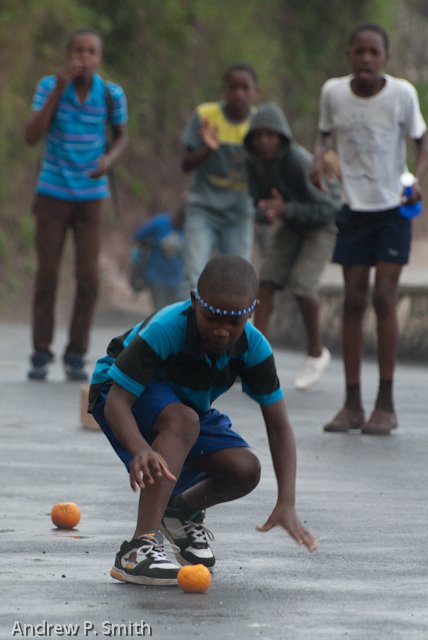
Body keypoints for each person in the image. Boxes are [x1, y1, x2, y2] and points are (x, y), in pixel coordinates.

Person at [88, 255, 317, 586]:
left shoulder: (254, 349)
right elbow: (118, 403)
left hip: (182, 405)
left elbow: (279, 428)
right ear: (195, 301)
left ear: (251, 312)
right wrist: (140, 448)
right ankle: (138, 548)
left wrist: (287, 501)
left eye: (233, 324)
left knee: (245, 469)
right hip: (117, 389)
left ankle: (179, 512)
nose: (221, 331)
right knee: (183, 422)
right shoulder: (169, 327)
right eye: (211, 318)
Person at [311, 23, 428, 434]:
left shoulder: (402, 94)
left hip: (394, 207)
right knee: (353, 300)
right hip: (352, 206)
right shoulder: (333, 92)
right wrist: (317, 158)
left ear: (385, 58)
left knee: (384, 296)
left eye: (373, 52)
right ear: (349, 56)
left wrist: (415, 179)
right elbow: (323, 132)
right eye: (358, 51)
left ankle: (386, 403)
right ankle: (352, 404)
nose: (365, 59)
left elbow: (421, 138)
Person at [25, 28, 128, 381]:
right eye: (78, 51)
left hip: (90, 199)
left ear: (100, 58)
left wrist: (109, 160)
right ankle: (40, 352)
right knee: (47, 274)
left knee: (88, 278)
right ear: (68, 55)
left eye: (92, 51)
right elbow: (31, 135)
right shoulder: (47, 86)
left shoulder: (112, 94)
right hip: (52, 193)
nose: (85, 57)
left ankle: (76, 354)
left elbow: (121, 136)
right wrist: (56, 89)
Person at [244, 103, 342, 390]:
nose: (264, 142)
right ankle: (252, 357)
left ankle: (316, 352)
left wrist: (286, 210)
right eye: (258, 136)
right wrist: (268, 213)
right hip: (291, 220)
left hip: (321, 224)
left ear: (282, 137)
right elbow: (258, 203)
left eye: (270, 135)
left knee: (302, 284)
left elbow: (328, 207)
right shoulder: (253, 162)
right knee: (266, 280)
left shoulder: (299, 160)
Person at [179, 62, 259, 298]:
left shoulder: (258, 125)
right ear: (224, 90)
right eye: (233, 88)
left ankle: (232, 333)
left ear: (255, 91)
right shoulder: (205, 115)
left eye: (245, 88)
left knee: (238, 281)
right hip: (203, 209)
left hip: (239, 215)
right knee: (192, 275)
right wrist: (208, 149)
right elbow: (185, 164)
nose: (239, 94)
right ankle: (188, 331)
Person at [131, 208, 185, 312]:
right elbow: (138, 235)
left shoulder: (190, 230)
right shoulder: (160, 222)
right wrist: (149, 243)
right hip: (156, 276)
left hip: (176, 279)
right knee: (159, 310)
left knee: (172, 311)